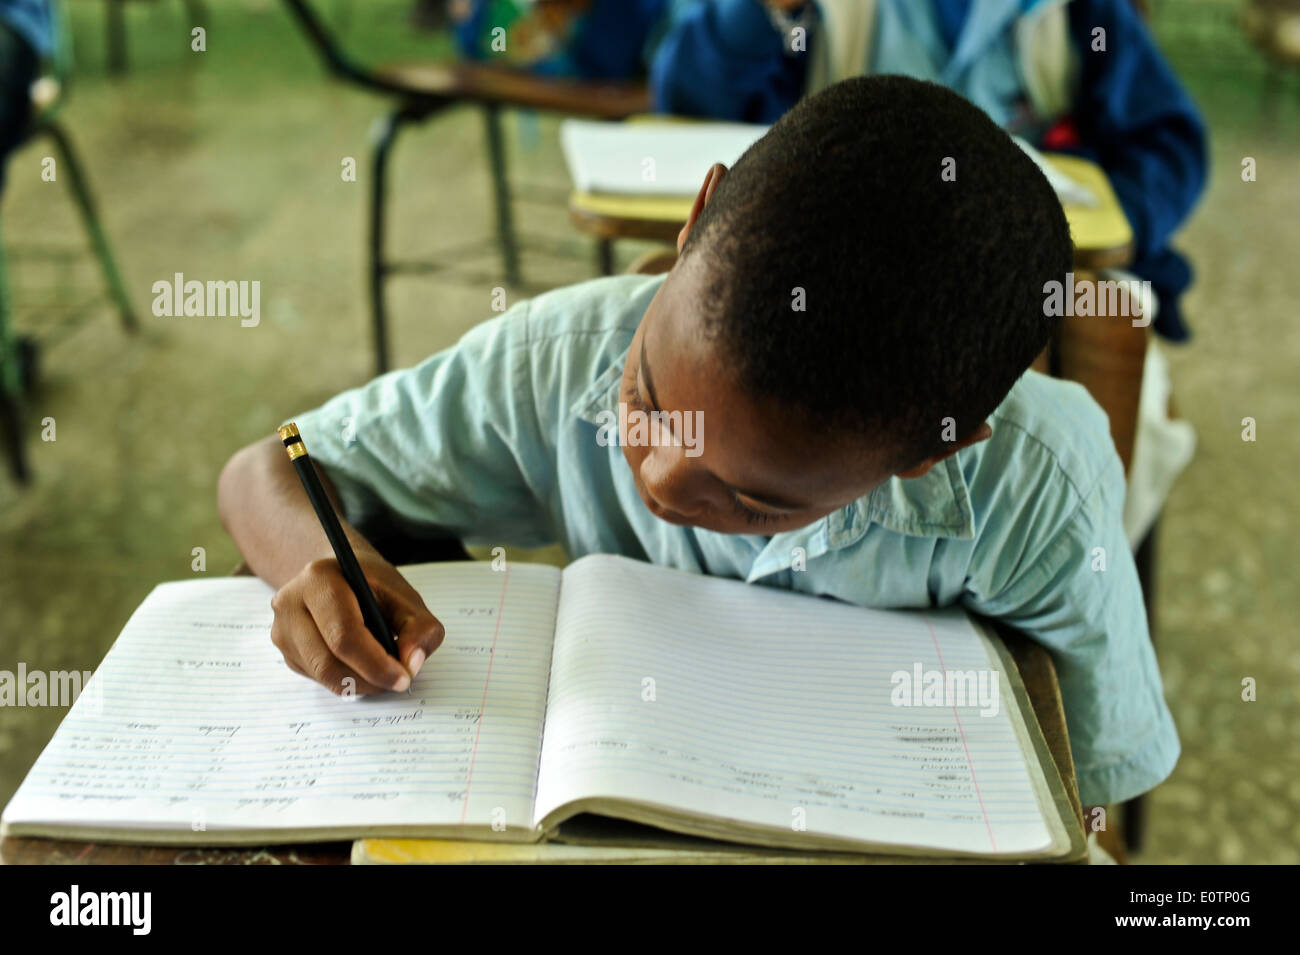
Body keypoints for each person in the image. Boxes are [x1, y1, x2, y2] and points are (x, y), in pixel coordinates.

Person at [219, 76, 1178, 812]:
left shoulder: (1041, 491)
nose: (662, 476)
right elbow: (270, 465)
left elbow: (1084, 787)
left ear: (933, 450)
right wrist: (316, 561)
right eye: (645, 394)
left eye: (758, 501)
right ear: (695, 218)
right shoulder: (561, 355)